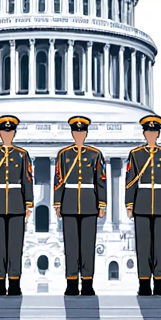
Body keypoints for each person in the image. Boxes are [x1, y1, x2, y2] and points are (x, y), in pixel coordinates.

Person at [0, 115, 34, 296]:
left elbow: (27, 180)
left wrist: (28, 204)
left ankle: (15, 282)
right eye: (4, 131)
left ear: (14, 133)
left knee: (15, 246)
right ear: (0, 132)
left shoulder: (22, 154)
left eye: (10, 132)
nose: (7, 135)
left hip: (17, 204)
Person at [124, 114, 161, 297]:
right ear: (144, 133)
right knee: (143, 245)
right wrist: (129, 204)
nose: (151, 135)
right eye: (149, 132)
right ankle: (144, 283)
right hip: (142, 203)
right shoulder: (136, 155)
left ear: (158, 134)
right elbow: (130, 181)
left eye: (154, 132)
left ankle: (160, 283)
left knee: (160, 246)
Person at [53, 116, 107, 296]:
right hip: (69, 203)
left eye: (82, 132)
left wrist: (101, 204)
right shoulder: (64, 155)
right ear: (72, 133)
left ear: (86, 133)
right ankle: (71, 282)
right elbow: (58, 181)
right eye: (76, 132)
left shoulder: (94, 154)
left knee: (88, 245)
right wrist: (57, 203)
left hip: (89, 203)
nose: (79, 135)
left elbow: (101, 181)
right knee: (71, 245)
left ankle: (87, 282)